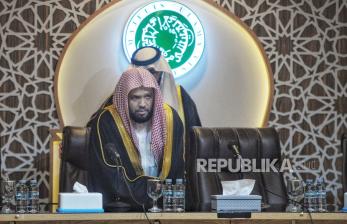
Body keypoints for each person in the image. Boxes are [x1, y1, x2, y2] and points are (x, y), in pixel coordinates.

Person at [87, 67, 184, 211]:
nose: (143, 104)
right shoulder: (107, 121)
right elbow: (108, 175)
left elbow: (177, 169)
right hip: (122, 209)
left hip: (165, 208)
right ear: (124, 98)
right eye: (135, 98)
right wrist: (148, 194)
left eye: (148, 97)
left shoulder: (170, 119)